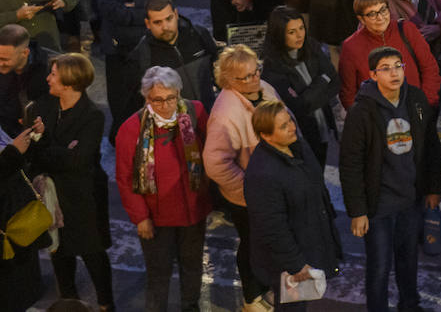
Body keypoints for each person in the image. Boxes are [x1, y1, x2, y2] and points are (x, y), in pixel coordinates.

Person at [339, 46, 441, 312]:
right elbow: (350, 165)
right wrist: (358, 211)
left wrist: (434, 188)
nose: (394, 73)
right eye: (385, 68)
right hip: (378, 207)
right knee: (379, 266)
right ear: (373, 75)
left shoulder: (416, 99)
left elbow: (430, 147)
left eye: (398, 66)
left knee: (408, 260)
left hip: (410, 199)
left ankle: (410, 304)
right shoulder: (361, 112)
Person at [114, 65, 214, 312]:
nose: (166, 105)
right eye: (157, 100)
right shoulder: (130, 129)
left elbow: (211, 150)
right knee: (159, 274)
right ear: (146, 97)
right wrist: (140, 218)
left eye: (171, 98)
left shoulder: (195, 111)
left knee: (192, 266)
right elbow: (125, 178)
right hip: (156, 218)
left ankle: (190, 306)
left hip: (192, 211)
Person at [27, 52, 112, 309]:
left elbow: (79, 161)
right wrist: (62, 149)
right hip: (54, 198)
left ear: (69, 82)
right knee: (59, 255)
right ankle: (68, 304)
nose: (48, 79)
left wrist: (45, 144)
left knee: (93, 256)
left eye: (53, 75)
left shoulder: (92, 116)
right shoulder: (42, 107)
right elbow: (39, 154)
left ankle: (106, 304)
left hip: (84, 200)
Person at [243, 100, 342, 310]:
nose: (292, 127)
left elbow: (316, 188)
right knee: (292, 307)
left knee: (301, 304)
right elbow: (272, 228)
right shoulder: (262, 173)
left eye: (289, 120)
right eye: (283, 126)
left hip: (307, 245)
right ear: (266, 135)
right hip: (286, 263)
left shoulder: (297, 146)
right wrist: (296, 265)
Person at [205, 45, 283, 312]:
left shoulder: (266, 90)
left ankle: (262, 291)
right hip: (248, 198)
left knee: (267, 245)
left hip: (274, 189)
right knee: (252, 246)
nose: (254, 79)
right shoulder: (225, 112)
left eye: (256, 71)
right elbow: (215, 164)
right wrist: (248, 188)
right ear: (227, 80)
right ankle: (251, 298)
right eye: (245, 76)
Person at [260, 6, 340, 168]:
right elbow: (298, 106)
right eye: (291, 32)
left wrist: (311, 97)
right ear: (279, 34)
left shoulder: (311, 46)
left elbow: (335, 82)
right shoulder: (272, 66)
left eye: (301, 28)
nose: (299, 35)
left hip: (322, 127)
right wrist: (323, 80)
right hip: (300, 134)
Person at [339, 0, 441, 110]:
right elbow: (348, 94)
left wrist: (424, 104)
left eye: (383, 10)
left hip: (415, 109)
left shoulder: (407, 30)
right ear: (361, 19)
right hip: (376, 121)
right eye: (372, 14)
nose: (380, 18)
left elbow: (430, 68)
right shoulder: (351, 47)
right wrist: (365, 122)